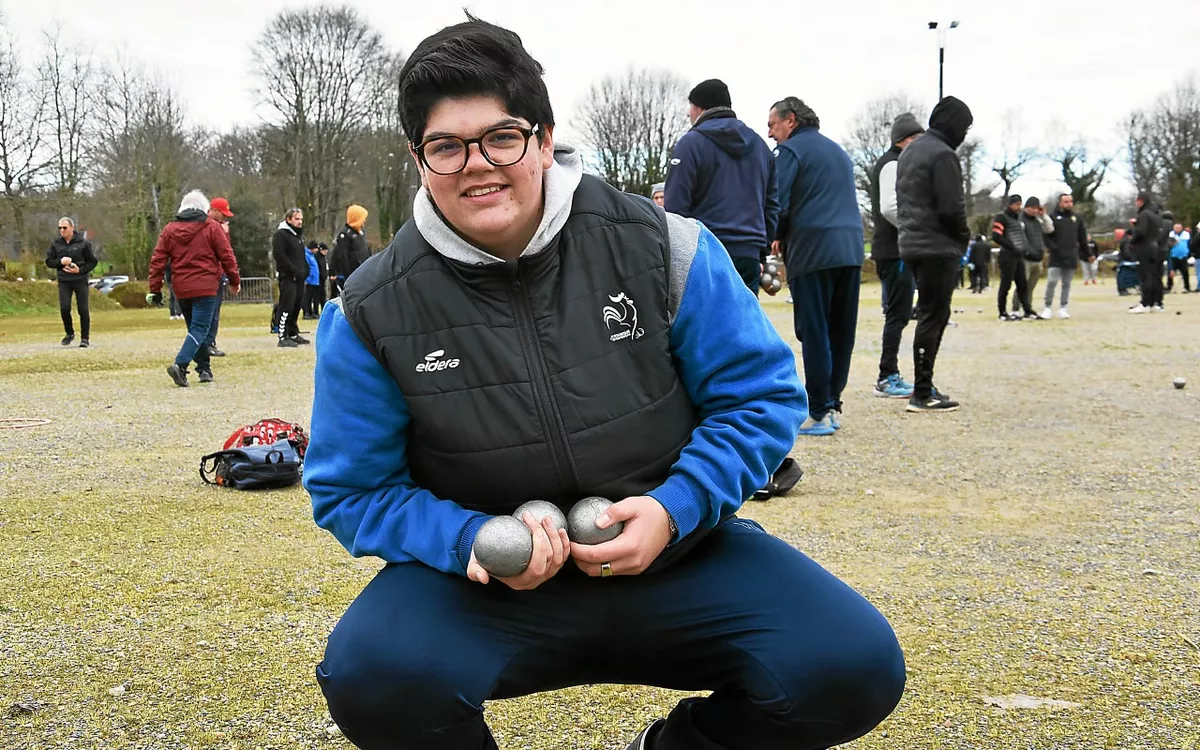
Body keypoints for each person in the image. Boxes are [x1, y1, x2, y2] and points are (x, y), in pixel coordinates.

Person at [304, 16, 905, 750]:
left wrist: (674, 508)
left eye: (501, 137)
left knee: (851, 665)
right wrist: (471, 537)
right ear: (418, 158)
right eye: (446, 147)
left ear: (544, 136)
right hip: (485, 586)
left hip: (678, 554)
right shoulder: (370, 309)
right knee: (373, 674)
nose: (476, 164)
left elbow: (758, 398)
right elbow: (350, 490)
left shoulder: (664, 246)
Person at [768, 96, 863, 434]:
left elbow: (778, 200)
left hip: (813, 249)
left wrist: (773, 234)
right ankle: (833, 400)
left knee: (814, 329)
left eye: (772, 125)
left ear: (790, 120)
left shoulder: (790, 151)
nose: (770, 134)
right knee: (841, 329)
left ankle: (819, 409)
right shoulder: (839, 151)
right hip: (850, 248)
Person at [895, 96, 973, 413]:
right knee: (934, 316)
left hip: (912, 243)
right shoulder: (942, 155)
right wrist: (964, 237)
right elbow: (950, 207)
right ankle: (923, 391)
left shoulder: (911, 151)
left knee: (926, 313)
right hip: (937, 246)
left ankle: (922, 387)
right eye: (964, 127)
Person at [664, 78, 778, 295]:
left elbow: (675, 207)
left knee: (706, 326)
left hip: (705, 253)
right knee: (743, 325)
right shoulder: (761, 148)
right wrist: (761, 251)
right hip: (748, 253)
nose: (689, 114)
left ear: (699, 108)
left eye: (690, 107)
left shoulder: (690, 144)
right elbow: (771, 205)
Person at [147, 191, 241, 386]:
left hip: (181, 288)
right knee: (200, 329)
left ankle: (204, 370)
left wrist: (155, 289)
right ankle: (180, 365)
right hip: (206, 286)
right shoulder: (212, 228)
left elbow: (158, 261)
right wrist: (234, 280)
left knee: (194, 330)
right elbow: (227, 256)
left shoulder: (169, 230)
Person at [869, 112, 924, 399]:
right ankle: (887, 375)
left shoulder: (897, 162)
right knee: (897, 314)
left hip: (897, 249)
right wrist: (918, 229)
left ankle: (889, 373)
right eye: (916, 139)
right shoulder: (892, 163)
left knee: (900, 313)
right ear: (904, 140)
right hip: (895, 250)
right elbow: (889, 207)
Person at [45, 217, 98, 348]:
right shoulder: (56, 244)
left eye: (64, 228)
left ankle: (85, 338)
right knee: (64, 308)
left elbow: (93, 262)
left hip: (80, 280)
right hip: (64, 281)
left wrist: (80, 270)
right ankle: (69, 333)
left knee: (83, 309)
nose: (62, 230)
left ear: (72, 228)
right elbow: (49, 261)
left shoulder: (83, 243)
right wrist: (60, 262)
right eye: (60, 228)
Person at [1043, 193, 1088, 319]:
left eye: (1070, 201)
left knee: (1066, 283)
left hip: (1071, 255)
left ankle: (1063, 307)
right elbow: (1046, 236)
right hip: (1056, 256)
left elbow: (1082, 238)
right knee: (1052, 282)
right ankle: (1047, 307)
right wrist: (1053, 248)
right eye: (1066, 202)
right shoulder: (1052, 217)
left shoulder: (1077, 219)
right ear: (1060, 203)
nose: (1069, 204)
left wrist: (1087, 254)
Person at [992, 195, 1036, 321]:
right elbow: (996, 236)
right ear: (1010, 204)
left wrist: (1023, 248)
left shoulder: (1018, 218)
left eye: (1020, 204)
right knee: (1006, 284)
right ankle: (1002, 312)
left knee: (1022, 284)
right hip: (1007, 255)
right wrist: (1011, 247)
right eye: (1017, 204)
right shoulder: (1001, 217)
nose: (1019, 207)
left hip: (1018, 256)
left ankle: (1027, 310)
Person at [271, 208, 309, 346]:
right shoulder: (281, 235)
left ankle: (293, 332)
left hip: (299, 278)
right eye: (296, 219)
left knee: (297, 306)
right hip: (288, 278)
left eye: (301, 219)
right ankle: (282, 335)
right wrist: (292, 271)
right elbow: (280, 256)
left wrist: (305, 270)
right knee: (286, 306)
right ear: (288, 219)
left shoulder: (296, 236)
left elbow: (301, 256)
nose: (299, 222)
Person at [1011, 197, 1051, 317]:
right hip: (1025, 259)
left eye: (1037, 208)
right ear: (1027, 208)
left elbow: (1050, 229)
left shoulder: (1038, 221)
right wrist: (1026, 251)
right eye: (1033, 208)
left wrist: (1044, 215)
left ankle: (1027, 309)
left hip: (1038, 258)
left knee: (1031, 287)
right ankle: (1015, 309)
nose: (1035, 211)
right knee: (1021, 285)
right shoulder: (1020, 220)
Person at [205, 197, 235, 357]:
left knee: (214, 311)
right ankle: (207, 343)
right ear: (214, 211)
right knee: (211, 312)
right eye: (222, 213)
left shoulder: (217, 227)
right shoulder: (211, 228)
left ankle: (208, 341)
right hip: (212, 275)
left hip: (217, 274)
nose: (225, 217)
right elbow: (225, 251)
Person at [1128, 194, 1164, 313]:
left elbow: (1141, 231)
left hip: (1145, 247)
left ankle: (1145, 303)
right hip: (1155, 246)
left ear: (1141, 201)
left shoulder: (1144, 214)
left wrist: (1132, 241)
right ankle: (1154, 302)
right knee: (1154, 276)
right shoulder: (1156, 214)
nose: (1136, 203)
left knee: (1145, 276)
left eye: (1137, 201)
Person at [330, 205, 370, 299]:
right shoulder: (345, 235)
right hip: (351, 276)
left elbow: (366, 251)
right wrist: (348, 277)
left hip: (363, 273)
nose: (364, 221)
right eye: (362, 218)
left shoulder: (361, 233)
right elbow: (341, 256)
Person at [1166, 221, 1190, 293]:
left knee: (1185, 272)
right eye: (1175, 228)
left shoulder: (1186, 234)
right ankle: (1169, 286)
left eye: (1178, 228)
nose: (1177, 229)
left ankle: (1186, 287)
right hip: (1173, 255)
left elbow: (1188, 243)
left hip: (1183, 256)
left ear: (1181, 228)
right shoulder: (1171, 234)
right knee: (1170, 272)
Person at [303, 240, 323, 319]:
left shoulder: (312, 255)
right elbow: (306, 267)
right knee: (307, 297)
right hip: (310, 280)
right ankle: (307, 312)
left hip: (315, 280)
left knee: (314, 297)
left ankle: (313, 312)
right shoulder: (306, 255)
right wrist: (307, 278)